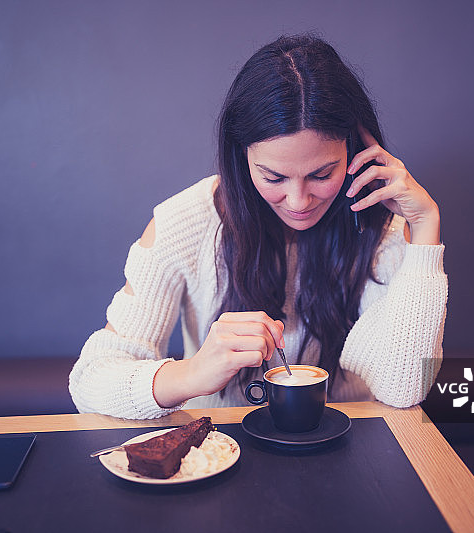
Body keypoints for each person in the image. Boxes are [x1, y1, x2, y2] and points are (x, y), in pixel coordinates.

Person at [69, 33, 448, 419]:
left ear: (355, 152)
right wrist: (193, 373)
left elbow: (406, 386)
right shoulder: (184, 222)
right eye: (273, 177)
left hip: (343, 450)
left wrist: (425, 224)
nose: (299, 201)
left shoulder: (382, 227)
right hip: (218, 454)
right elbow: (90, 381)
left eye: (322, 174)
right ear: (241, 157)